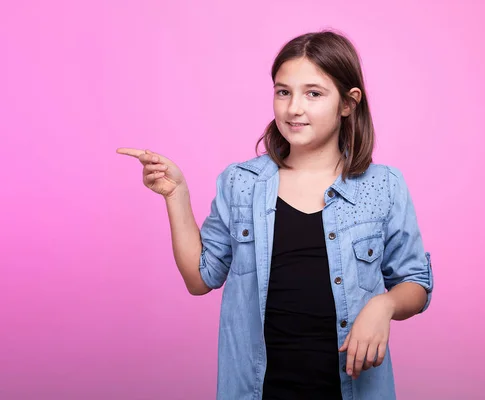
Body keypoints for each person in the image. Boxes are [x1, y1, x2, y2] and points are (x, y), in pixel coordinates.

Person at [117, 30, 433, 400]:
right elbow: (200, 278)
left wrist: (385, 304)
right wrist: (176, 195)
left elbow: (415, 282)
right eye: (283, 92)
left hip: (352, 390)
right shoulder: (241, 183)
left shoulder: (383, 186)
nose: (293, 108)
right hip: (258, 391)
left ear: (348, 103)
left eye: (313, 93)